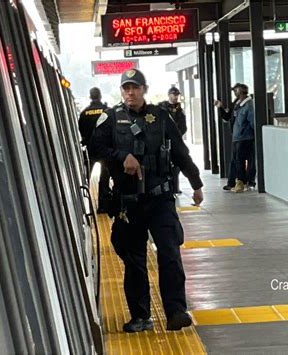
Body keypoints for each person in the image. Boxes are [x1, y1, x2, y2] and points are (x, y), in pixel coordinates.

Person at [89, 68, 204, 333]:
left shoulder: (161, 117)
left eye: (135, 88)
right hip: (129, 202)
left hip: (160, 198)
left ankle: (176, 311)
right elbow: (94, 149)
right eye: (126, 88)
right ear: (121, 91)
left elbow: (180, 152)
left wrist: (196, 183)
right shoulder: (109, 118)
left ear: (145, 90)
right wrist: (121, 156)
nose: (130, 92)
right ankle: (140, 315)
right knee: (134, 260)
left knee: (170, 253)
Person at [215, 83, 256, 192]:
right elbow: (227, 116)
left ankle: (242, 182)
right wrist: (221, 107)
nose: (234, 92)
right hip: (237, 137)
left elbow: (252, 122)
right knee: (235, 161)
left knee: (240, 161)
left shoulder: (249, 105)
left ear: (242, 91)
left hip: (245, 138)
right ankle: (232, 182)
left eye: (236, 90)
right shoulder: (236, 104)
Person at [78, 87, 111, 213]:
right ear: (100, 96)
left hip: (90, 150)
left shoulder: (84, 113)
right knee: (104, 178)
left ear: (90, 97)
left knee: (86, 177)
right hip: (105, 149)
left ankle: (84, 206)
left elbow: (81, 130)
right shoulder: (106, 111)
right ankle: (103, 206)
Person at [159, 87, 187, 194]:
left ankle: (175, 187)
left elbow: (183, 126)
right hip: (163, 141)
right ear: (169, 95)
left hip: (176, 141)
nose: (175, 97)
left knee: (177, 165)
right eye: (173, 95)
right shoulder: (162, 107)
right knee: (163, 164)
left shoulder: (180, 110)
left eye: (177, 95)